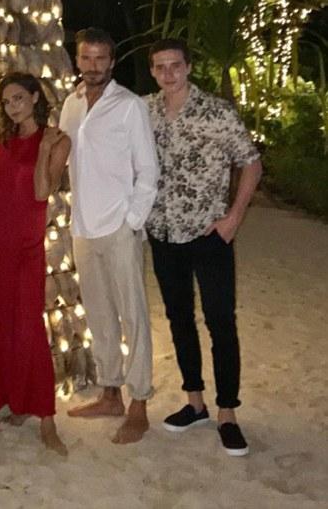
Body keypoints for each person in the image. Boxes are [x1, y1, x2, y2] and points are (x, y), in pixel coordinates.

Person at [146, 38, 262, 456]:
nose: (168, 74)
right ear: (152, 71)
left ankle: (227, 412)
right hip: (163, 232)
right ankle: (194, 402)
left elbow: (251, 163)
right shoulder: (145, 111)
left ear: (189, 67)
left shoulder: (217, 111)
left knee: (220, 320)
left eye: (175, 65)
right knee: (179, 318)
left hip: (209, 233)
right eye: (160, 67)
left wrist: (233, 218)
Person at [61, 27, 158, 444]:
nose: (93, 65)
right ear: (77, 60)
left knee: (132, 316)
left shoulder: (129, 106)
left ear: (112, 62)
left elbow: (148, 170)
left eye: (101, 58)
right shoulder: (70, 104)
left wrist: (132, 220)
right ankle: (110, 393)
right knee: (99, 315)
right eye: (87, 57)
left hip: (119, 228)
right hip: (83, 227)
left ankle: (140, 402)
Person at [0, 72, 71, 456]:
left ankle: (46, 418)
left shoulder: (59, 140)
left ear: (35, 97)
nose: (12, 107)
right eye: (6, 101)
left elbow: (41, 191)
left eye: (18, 98)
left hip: (28, 246)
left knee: (30, 326)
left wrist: (44, 149)